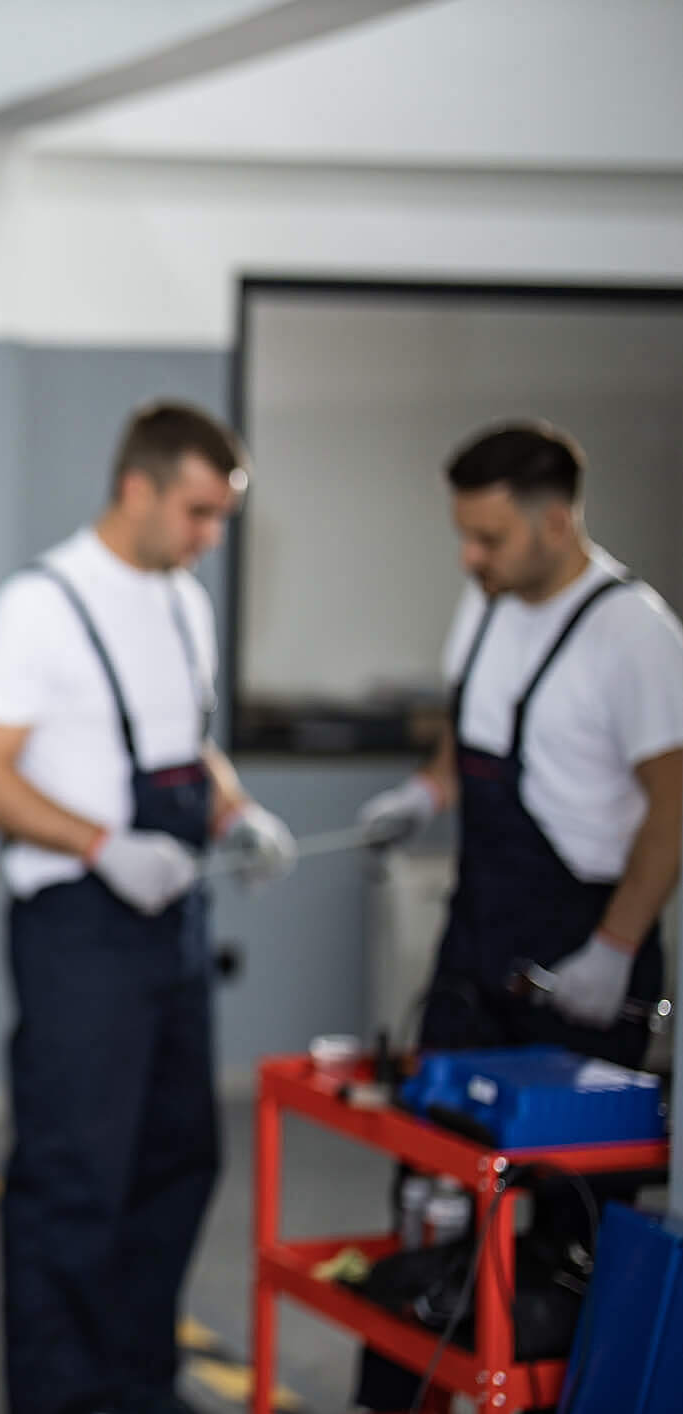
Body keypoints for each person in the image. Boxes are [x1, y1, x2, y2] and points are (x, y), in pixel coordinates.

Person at [0, 402, 296, 1414]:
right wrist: (103, 845)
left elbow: (186, 742)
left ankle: (138, 1384)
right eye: (199, 511)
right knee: (77, 1180)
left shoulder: (183, 601)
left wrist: (236, 810)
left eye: (223, 517)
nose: (209, 536)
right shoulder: (42, 604)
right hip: (82, 935)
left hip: (176, 926)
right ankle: (60, 1398)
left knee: (174, 1161)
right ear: (138, 487)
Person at [349, 421, 683, 1409]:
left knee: (569, 1225)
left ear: (555, 520)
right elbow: (473, 729)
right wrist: (427, 790)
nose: (472, 558)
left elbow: (674, 802)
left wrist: (613, 948)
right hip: (478, 939)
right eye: (465, 535)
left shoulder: (637, 636)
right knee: (434, 1193)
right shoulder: (487, 604)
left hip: (583, 955)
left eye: (489, 538)